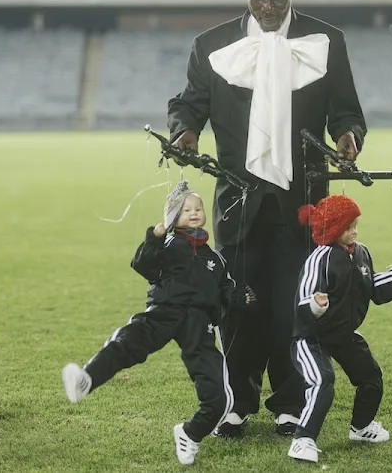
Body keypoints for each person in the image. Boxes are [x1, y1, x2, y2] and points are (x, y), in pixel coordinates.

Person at [167, 0, 368, 437]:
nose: (270, 5)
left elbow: (347, 110)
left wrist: (348, 137)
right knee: (237, 301)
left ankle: (290, 402)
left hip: (305, 200)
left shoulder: (326, 41)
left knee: (296, 303)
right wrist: (185, 130)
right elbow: (188, 105)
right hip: (239, 197)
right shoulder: (211, 45)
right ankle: (235, 403)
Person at [61, 181, 255, 465]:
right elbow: (141, 264)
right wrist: (156, 234)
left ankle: (190, 433)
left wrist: (242, 298)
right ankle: (85, 380)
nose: (193, 212)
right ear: (173, 216)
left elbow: (227, 291)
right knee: (128, 342)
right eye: (185, 209)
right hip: (164, 310)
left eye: (198, 208)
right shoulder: (166, 244)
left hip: (200, 324)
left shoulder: (216, 258)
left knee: (220, 397)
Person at [287, 194, 392, 463]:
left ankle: (361, 427)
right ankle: (302, 440)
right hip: (312, 336)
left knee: (371, 375)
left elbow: (371, 289)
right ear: (333, 229)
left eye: (356, 225)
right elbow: (303, 300)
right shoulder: (320, 258)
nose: (354, 232)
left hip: (343, 334)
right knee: (322, 381)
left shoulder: (361, 253)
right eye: (348, 227)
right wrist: (316, 305)